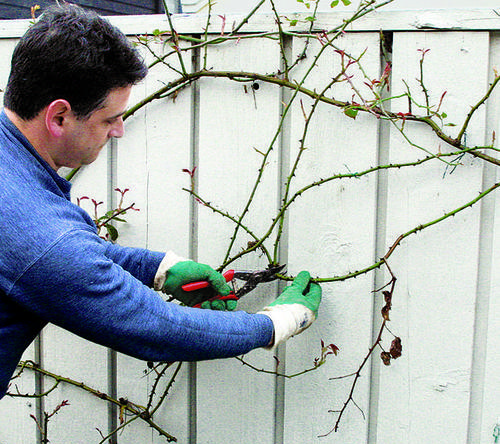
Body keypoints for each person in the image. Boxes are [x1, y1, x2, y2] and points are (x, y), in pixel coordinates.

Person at [0, 4, 322, 399]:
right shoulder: (39, 235)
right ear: (60, 117)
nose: (119, 129)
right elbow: (156, 327)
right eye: (109, 118)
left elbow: (59, 253)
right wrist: (278, 322)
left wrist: (161, 269)